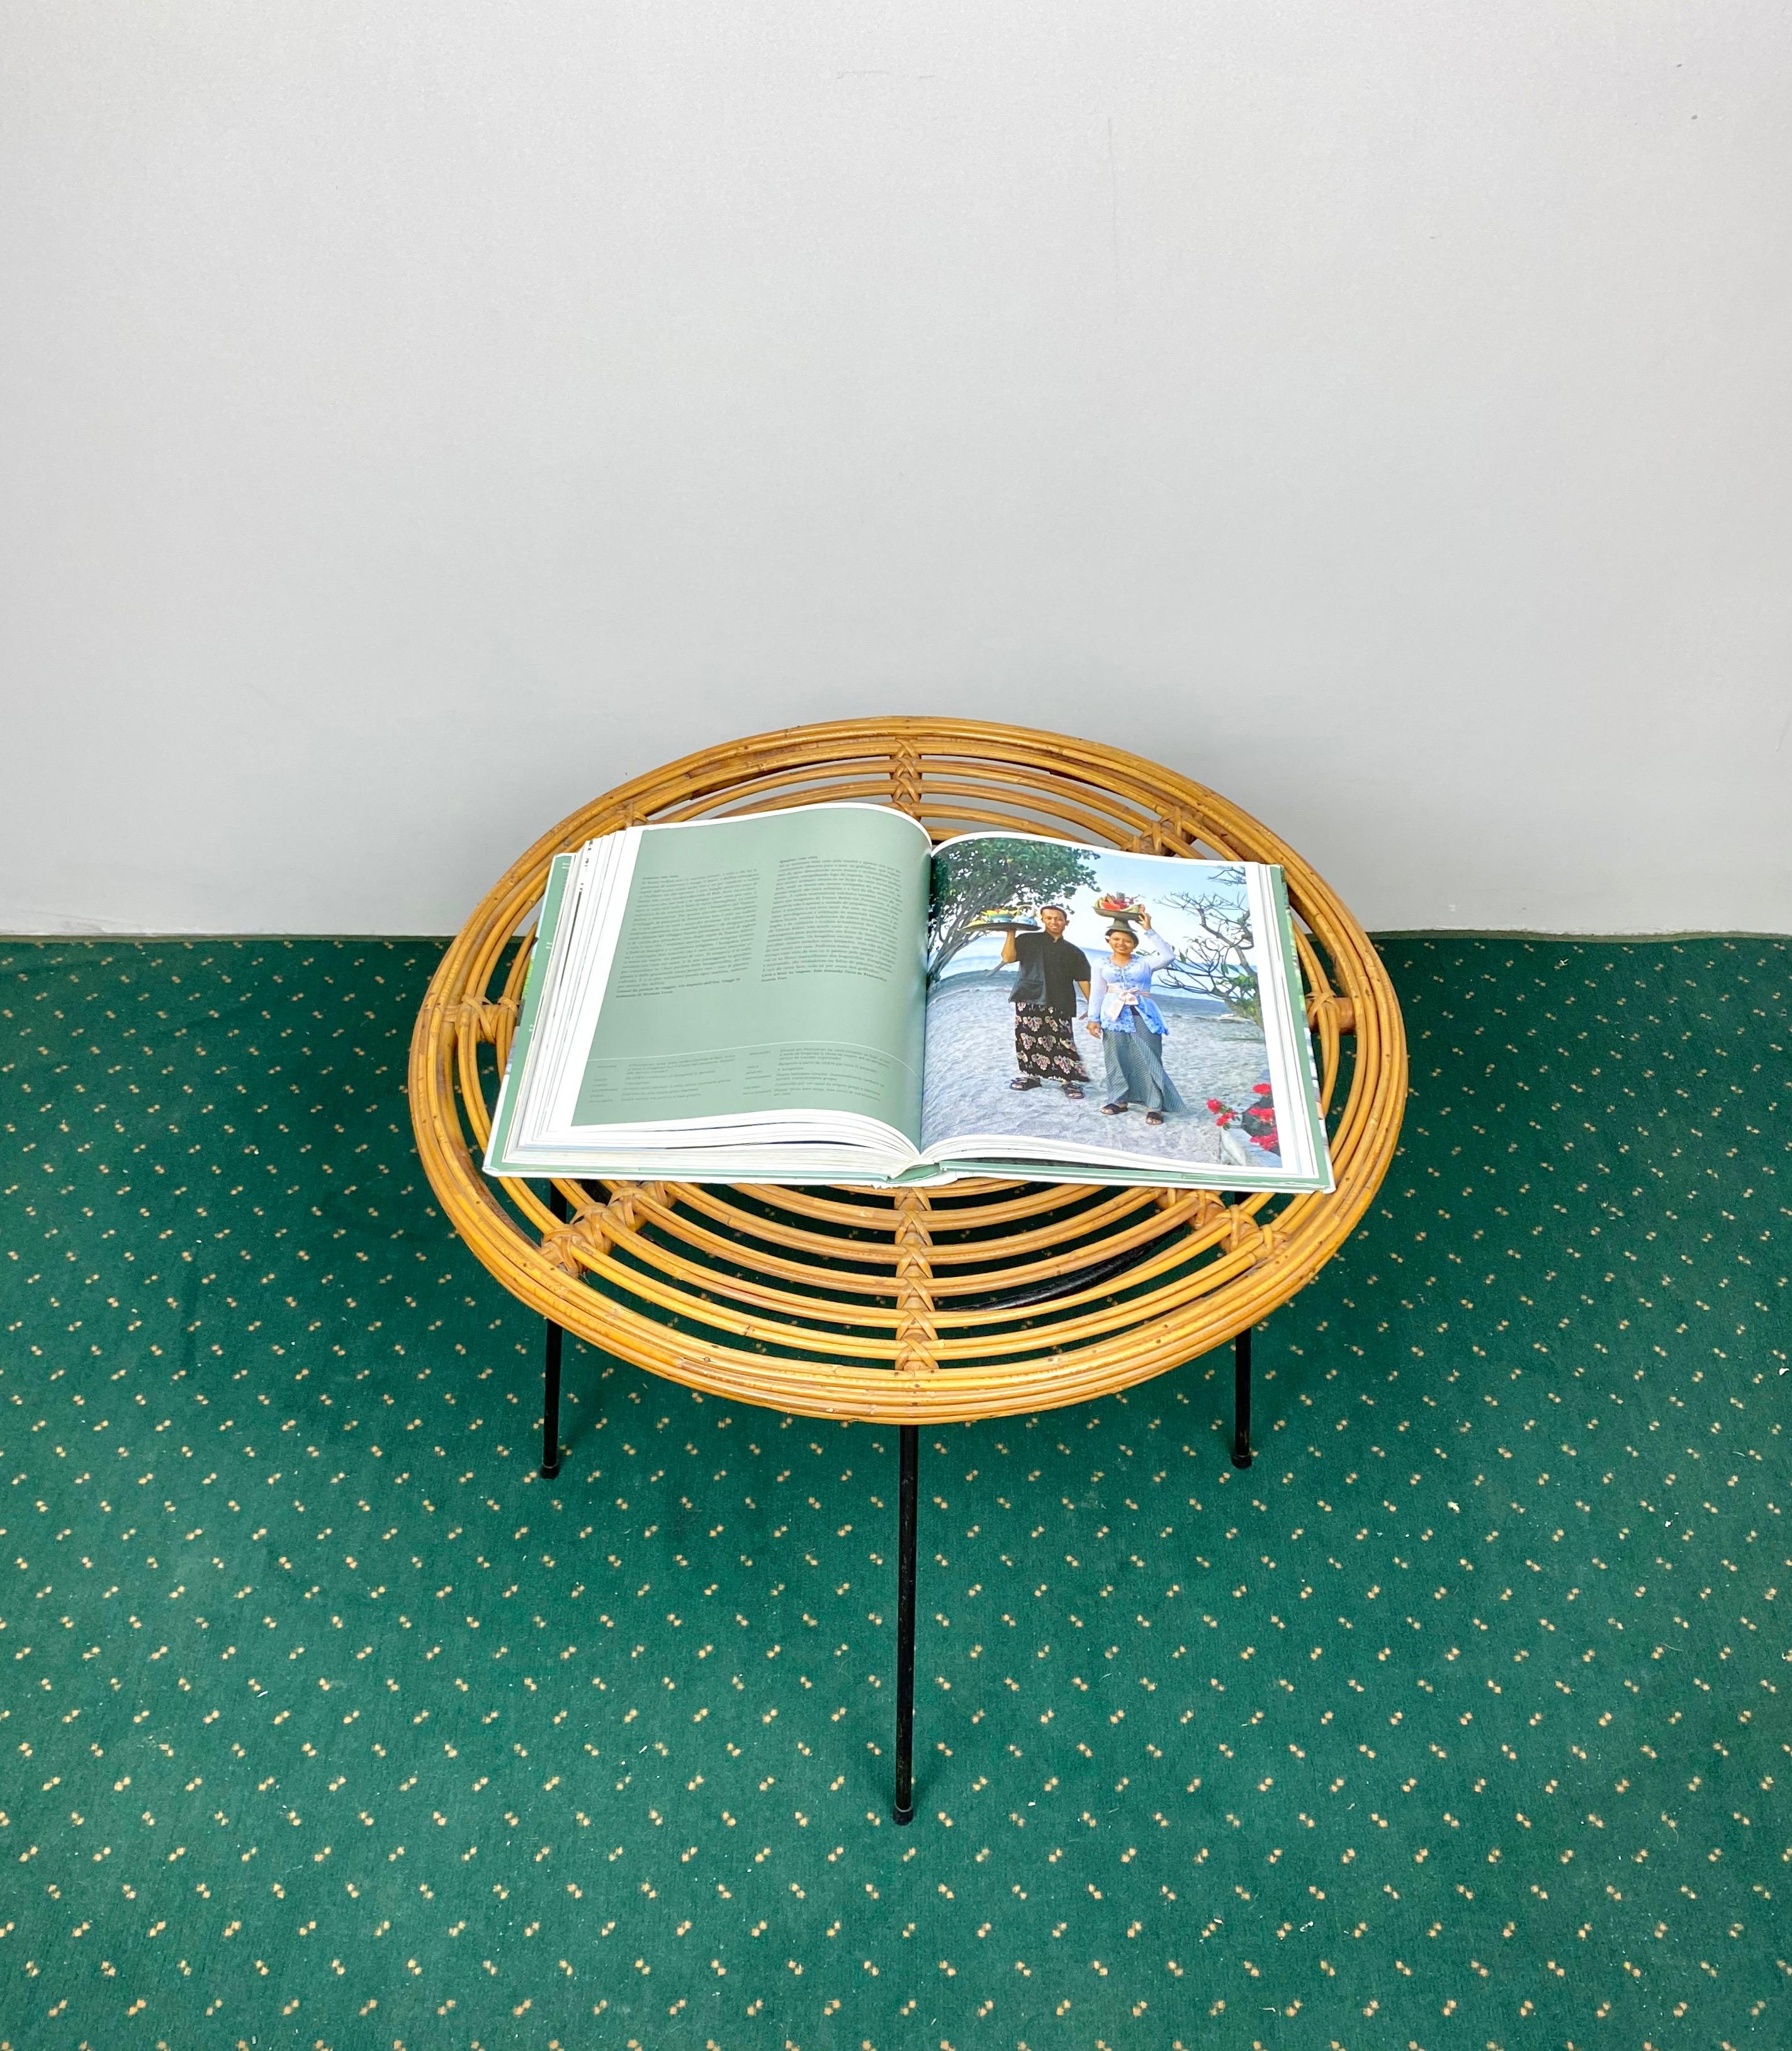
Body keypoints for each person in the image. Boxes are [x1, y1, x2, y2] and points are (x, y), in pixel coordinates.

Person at [1083, 912, 1188, 1124]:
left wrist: (1149, 929)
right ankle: (1118, 1100)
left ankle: (1154, 1106)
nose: (1121, 944)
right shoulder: (1100, 963)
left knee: (1150, 1058)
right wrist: (1093, 1019)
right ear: (1108, 940)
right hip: (1112, 1016)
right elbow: (1097, 992)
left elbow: (1168, 956)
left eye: (1127, 940)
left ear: (1134, 944)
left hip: (1144, 1015)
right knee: (1116, 1058)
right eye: (1116, 939)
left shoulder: (1146, 963)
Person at [1000, 906, 1091, 1096]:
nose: (1054, 922)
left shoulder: (1074, 952)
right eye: (1049, 918)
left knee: (1063, 1041)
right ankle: (1032, 1077)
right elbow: (1008, 958)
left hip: (1061, 999)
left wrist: (1094, 1005)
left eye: (1058, 919)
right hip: (1028, 995)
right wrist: (1011, 932)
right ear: (1042, 920)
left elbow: (1083, 979)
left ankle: (1068, 1081)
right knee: (1027, 1038)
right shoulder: (1027, 940)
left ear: (1066, 922)